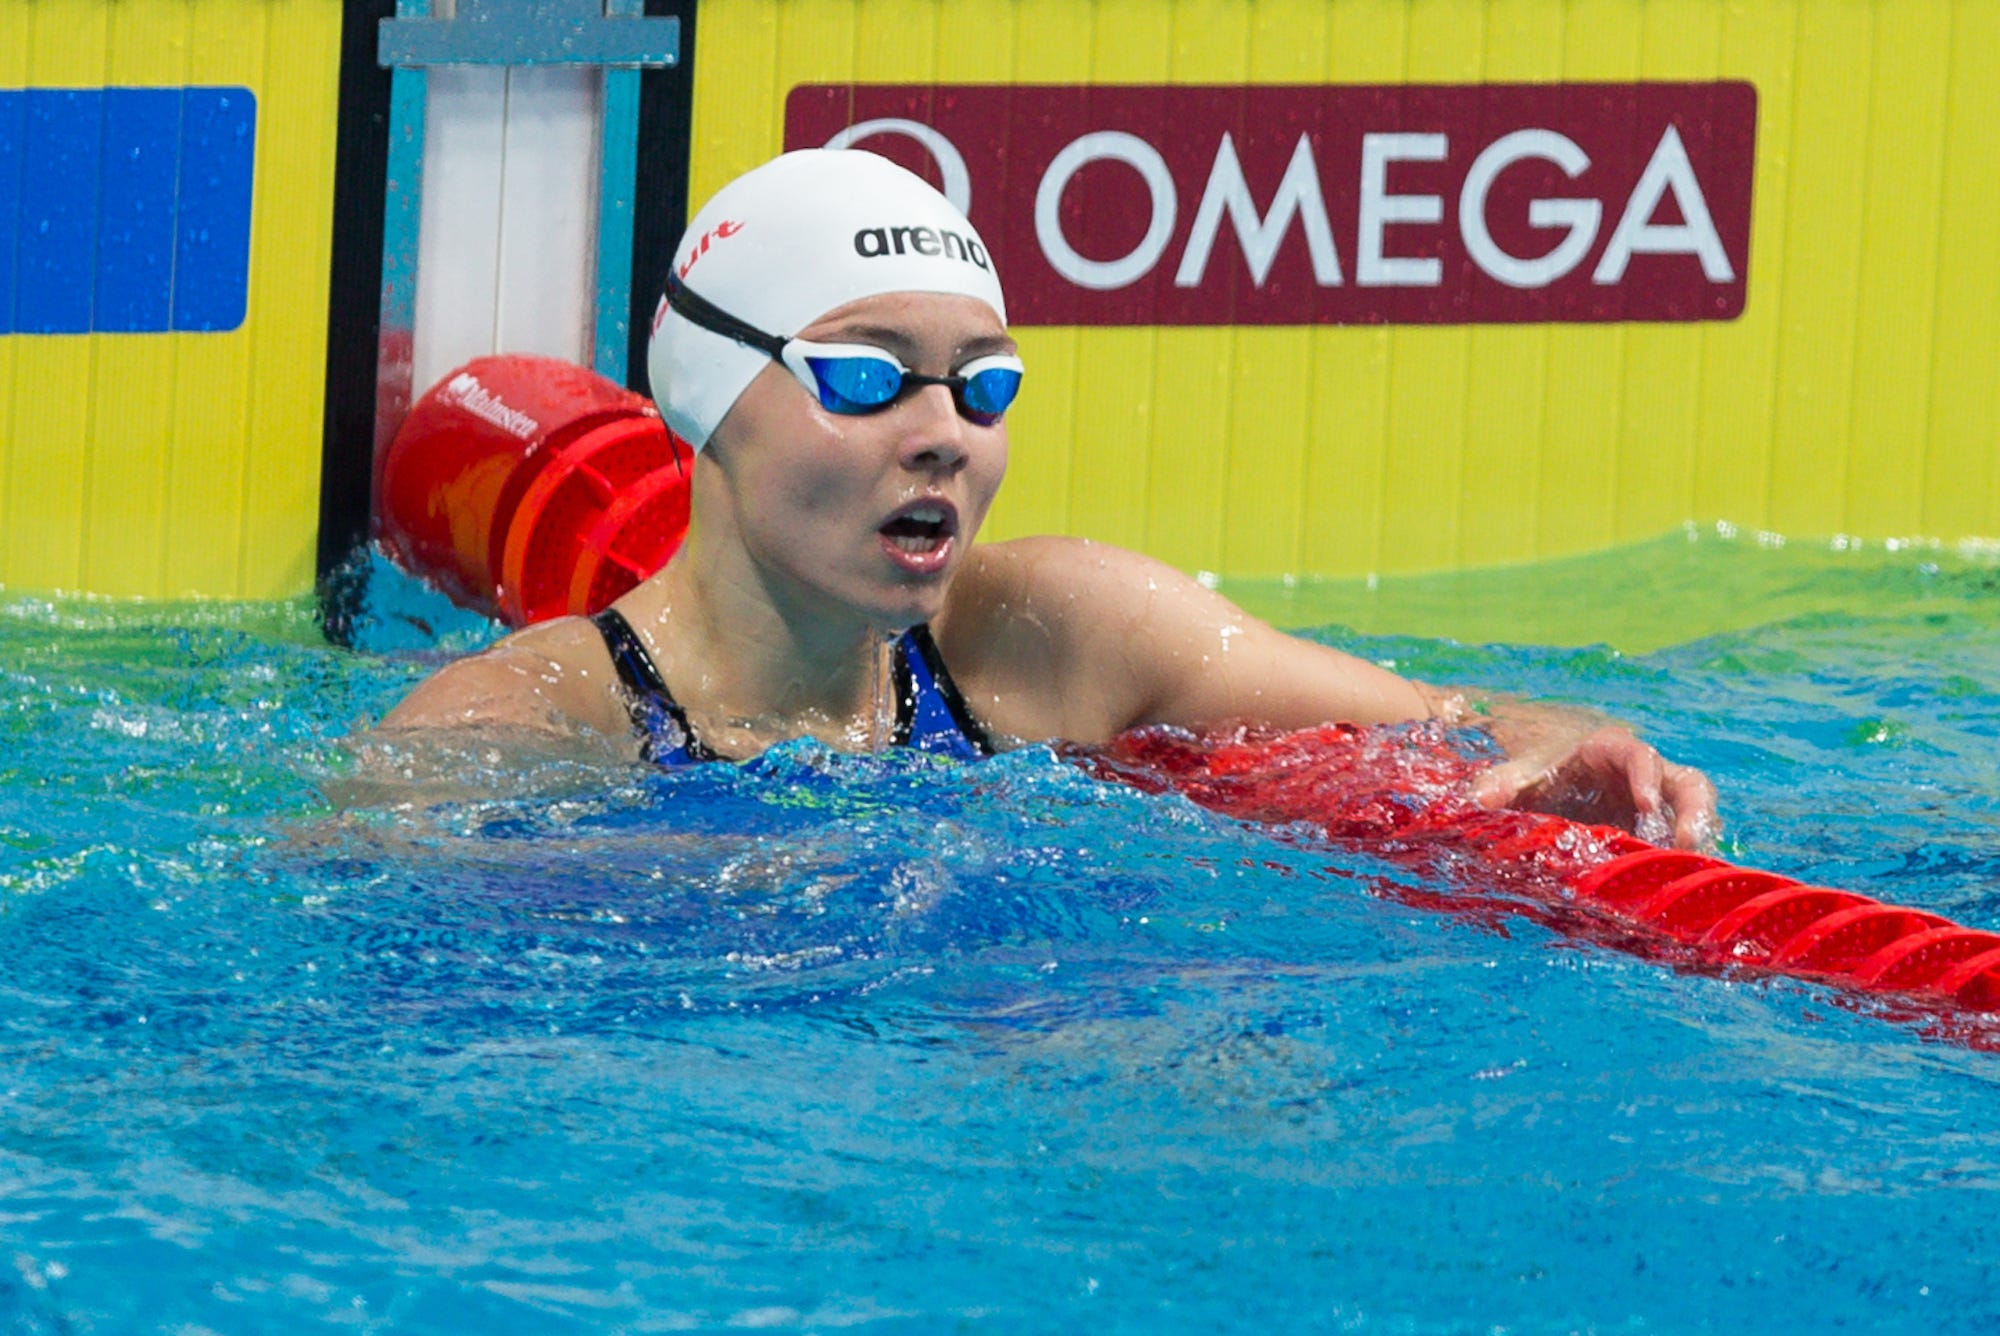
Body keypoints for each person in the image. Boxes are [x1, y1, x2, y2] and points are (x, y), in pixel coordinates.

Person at [375, 149, 1717, 849]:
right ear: (708, 403)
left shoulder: (1062, 635)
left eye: (985, 387)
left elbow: (1461, 718)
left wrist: (1566, 746)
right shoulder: (515, 730)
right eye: (868, 379)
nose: (944, 435)